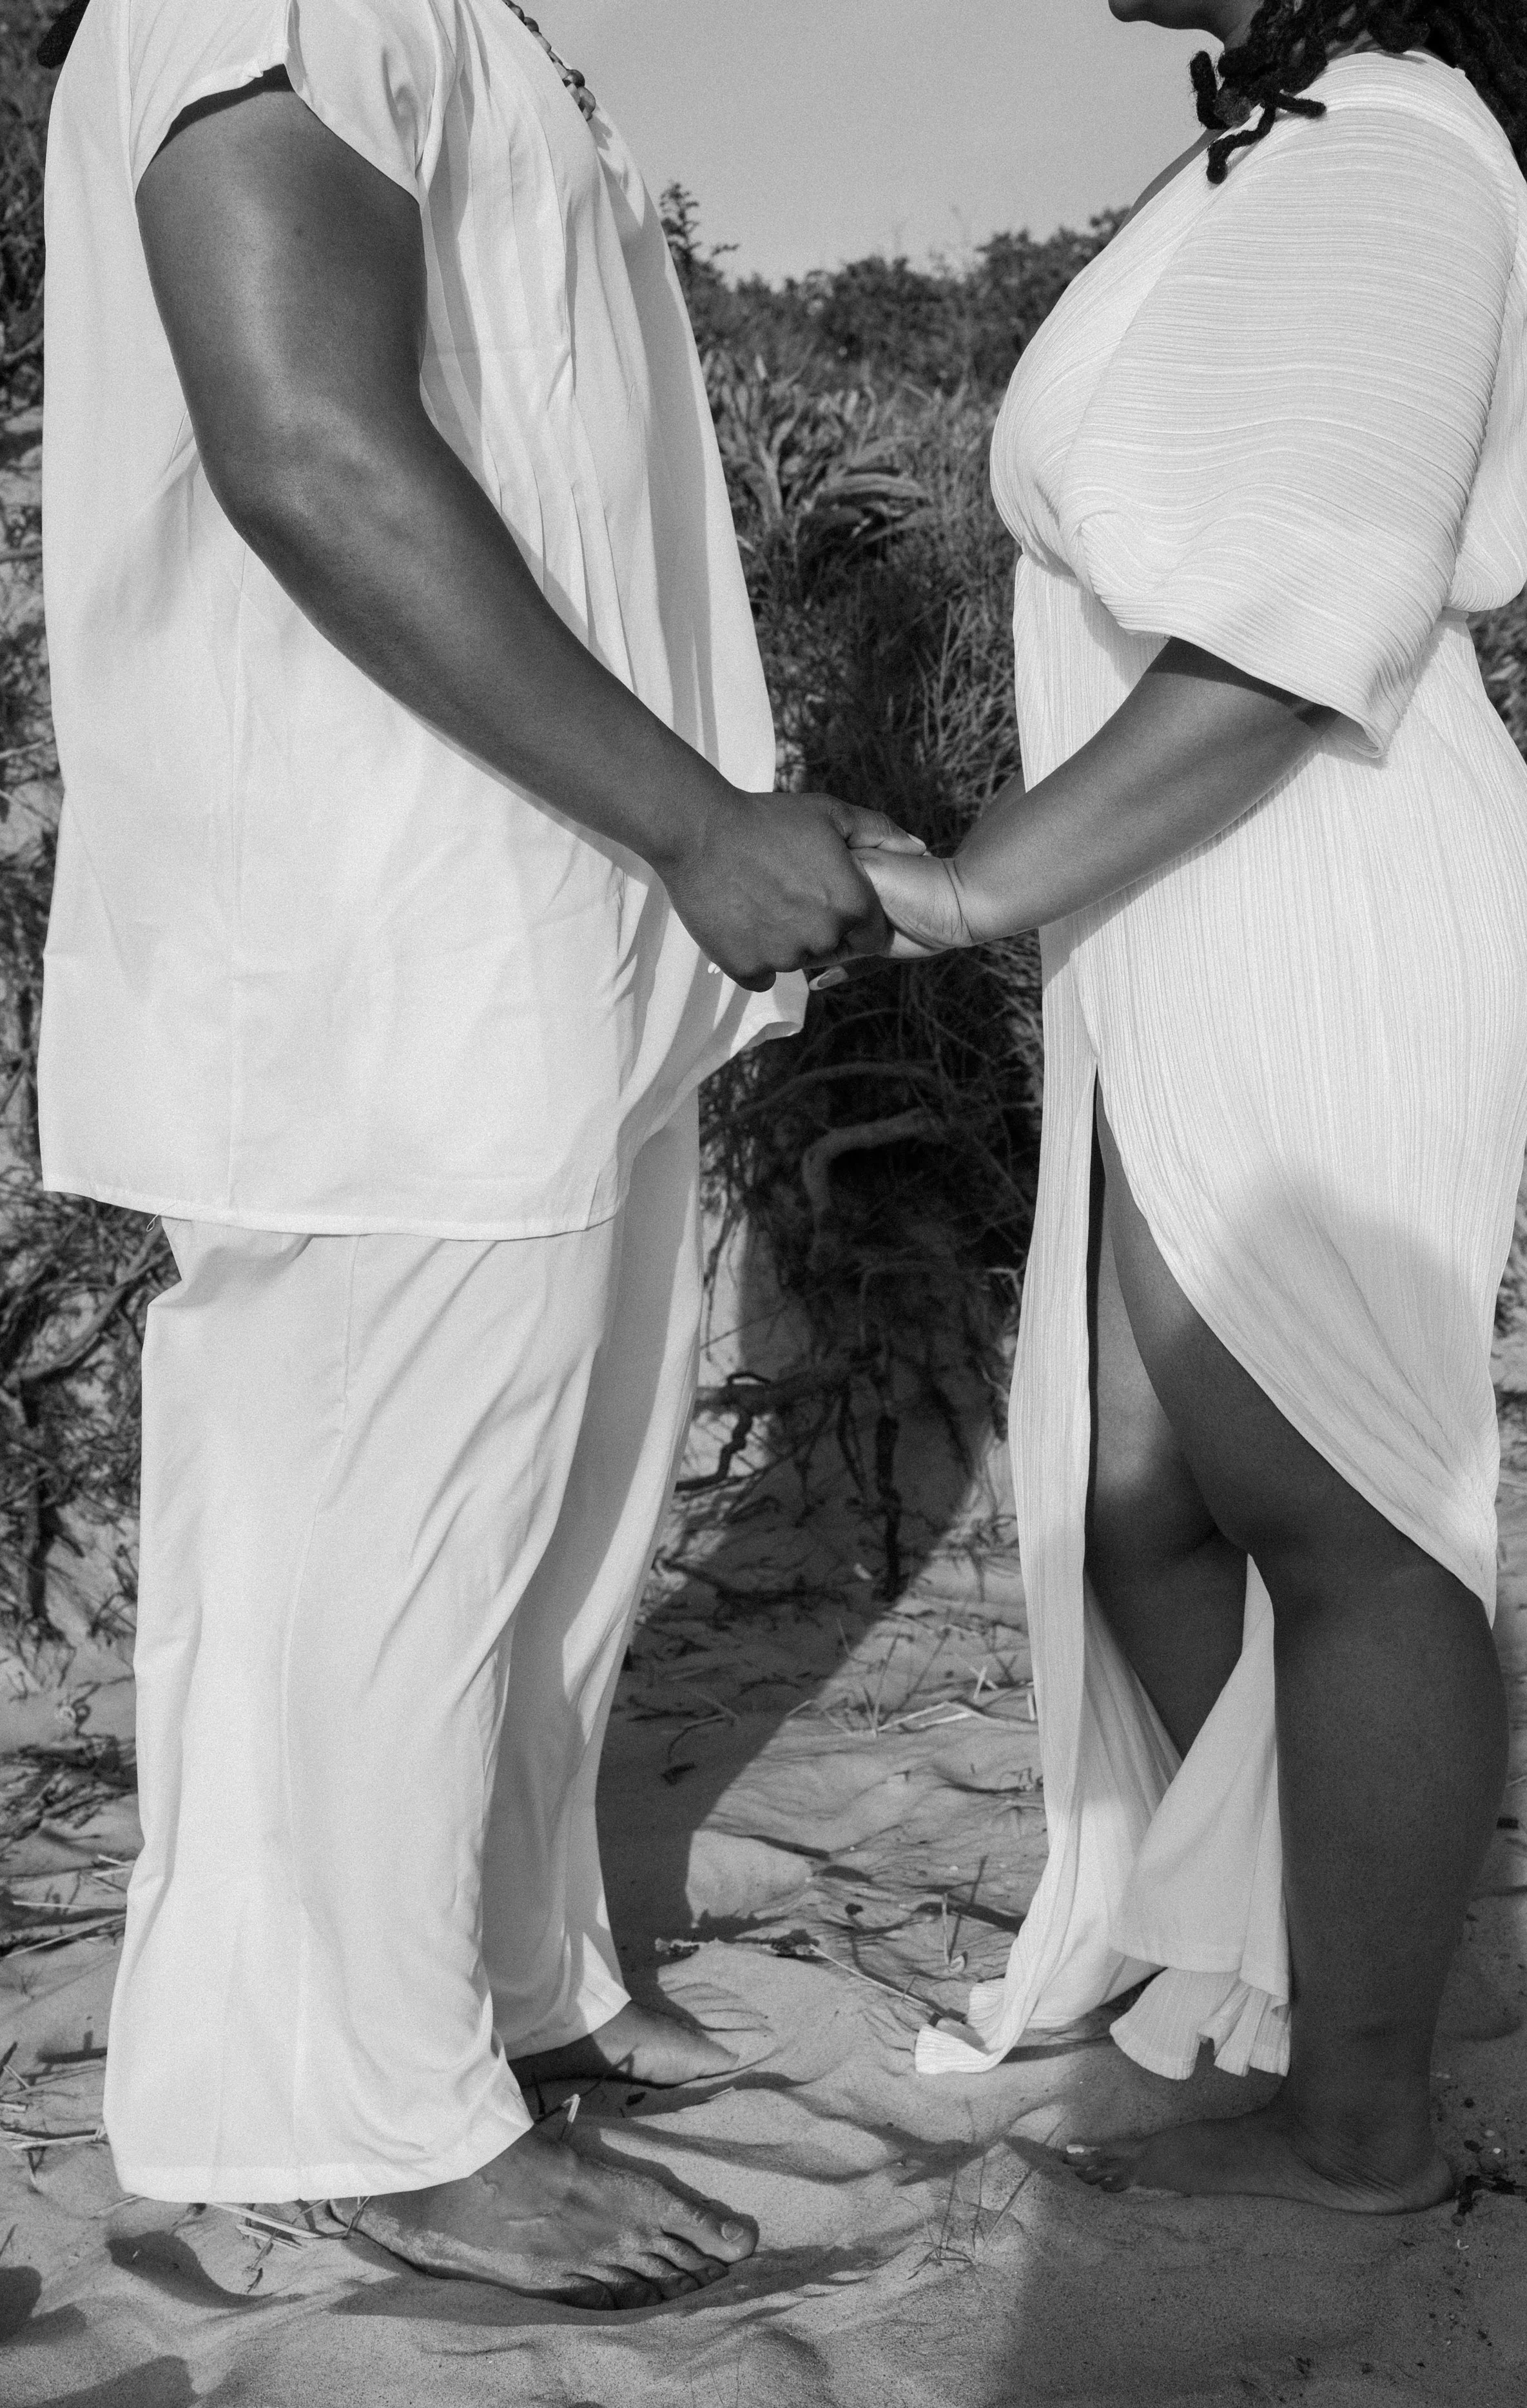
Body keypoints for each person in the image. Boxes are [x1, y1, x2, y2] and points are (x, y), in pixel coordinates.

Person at [36, 0, 915, 2304]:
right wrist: (692, 817)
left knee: (549, 1510)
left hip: (542, 913)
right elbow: (306, 447)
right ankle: (338, 2107)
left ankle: (499, 1991)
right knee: (378, 1528)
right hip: (369, 920)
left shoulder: (474, 18)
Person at [857, 0, 1527, 2211]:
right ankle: (1258, 1986)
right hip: (1207, 896)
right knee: (1143, 1500)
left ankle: (1353, 2119)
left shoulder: (1382, 149)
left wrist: (982, 877)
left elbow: (1288, 614)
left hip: (1323, 891)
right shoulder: (1288, 146)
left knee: (1335, 1521)